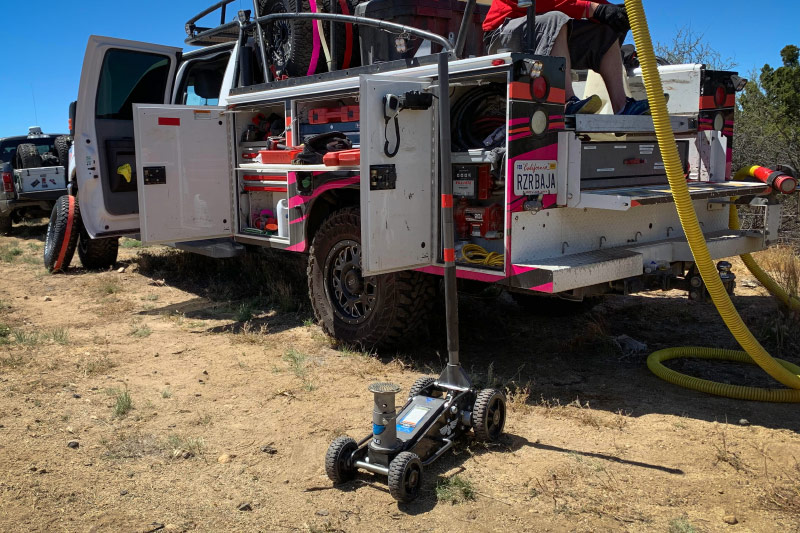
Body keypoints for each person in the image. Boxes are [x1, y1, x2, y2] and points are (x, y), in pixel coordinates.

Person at [483, 0, 650, 115]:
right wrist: (596, 9)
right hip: (502, 33)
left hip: (544, 30)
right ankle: (567, 102)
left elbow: (591, 4)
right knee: (557, 19)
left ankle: (622, 106)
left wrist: (612, 11)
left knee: (606, 31)